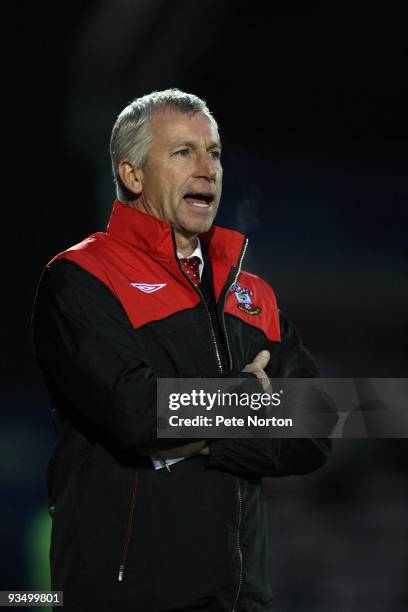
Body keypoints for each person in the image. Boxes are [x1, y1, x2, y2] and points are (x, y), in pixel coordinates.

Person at [32, 89, 336, 612]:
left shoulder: (252, 293)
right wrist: (247, 401)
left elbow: (318, 422)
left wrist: (198, 437)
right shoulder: (80, 279)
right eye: (183, 153)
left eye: (214, 152)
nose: (208, 169)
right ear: (132, 175)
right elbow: (136, 413)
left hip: (244, 600)